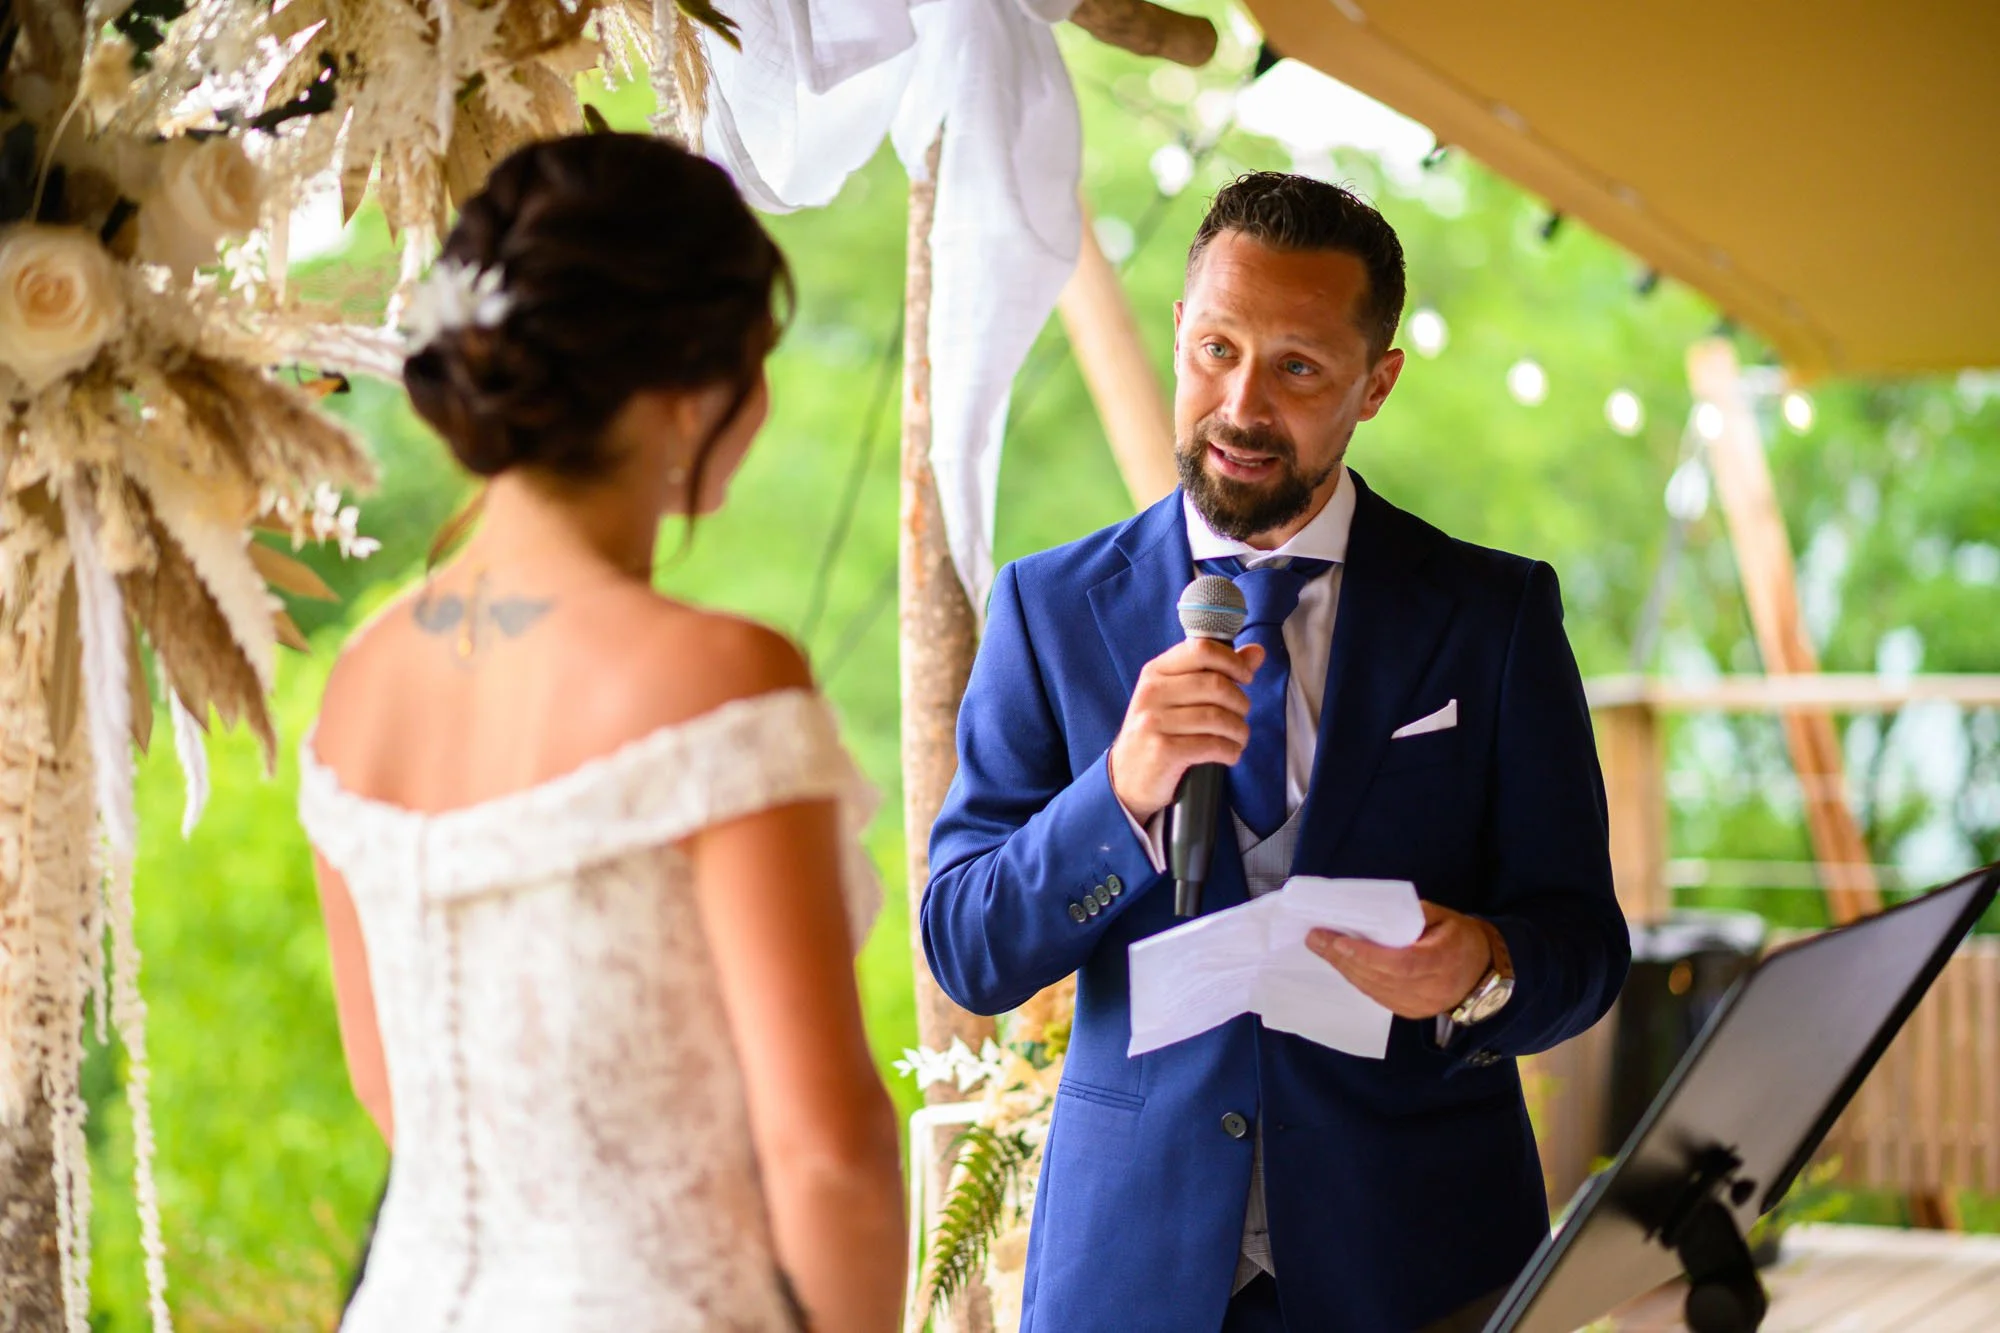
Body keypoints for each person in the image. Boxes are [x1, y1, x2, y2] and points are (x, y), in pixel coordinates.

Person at [922, 173, 1631, 1332]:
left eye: (1296, 366)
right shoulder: (1047, 607)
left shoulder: (1489, 615)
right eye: (1215, 349)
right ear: (1179, 332)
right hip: (1130, 1268)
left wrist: (1480, 968)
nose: (1239, 404)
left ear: (1376, 382)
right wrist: (1118, 791)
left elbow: (1584, 945)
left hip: (1421, 1263)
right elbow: (966, 947)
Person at [299, 134, 904, 1333]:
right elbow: (825, 1151)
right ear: (693, 381)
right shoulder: (720, 677)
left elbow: (396, 1098)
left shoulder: (359, 682)